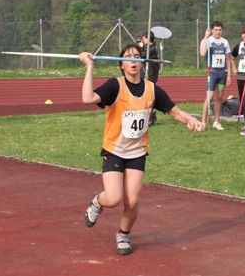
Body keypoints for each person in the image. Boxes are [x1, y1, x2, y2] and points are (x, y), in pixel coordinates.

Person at [79, 44, 204, 256]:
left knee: (133, 201)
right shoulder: (114, 86)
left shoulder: (152, 89)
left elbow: (173, 111)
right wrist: (89, 67)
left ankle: (123, 235)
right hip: (114, 150)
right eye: (128, 58)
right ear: (121, 65)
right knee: (113, 198)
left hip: (137, 153)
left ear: (143, 62)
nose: (134, 61)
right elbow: (87, 98)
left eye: (137, 56)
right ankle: (96, 203)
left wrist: (190, 120)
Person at [200, 21, 232, 130]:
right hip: (212, 74)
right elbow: (203, 53)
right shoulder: (208, 41)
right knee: (209, 97)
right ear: (212, 30)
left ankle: (216, 121)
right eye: (216, 30)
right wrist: (205, 37)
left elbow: (228, 59)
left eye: (219, 30)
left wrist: (229, 75)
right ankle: (203, 122)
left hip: (222, 74)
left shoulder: (225, 42)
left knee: (219, 98)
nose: (218, 32)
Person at [138, 31, 160, 125]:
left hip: (150, 74)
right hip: (146, 73)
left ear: (147, 38)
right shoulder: (150, 48)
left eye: (143, 38)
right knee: (145, 95)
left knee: (148, 96)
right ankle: (150, 116)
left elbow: (143, 55)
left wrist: (141, 46)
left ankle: (151, 117)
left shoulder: (152, 48)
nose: (142, 40)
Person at [231, 25, 245, 101]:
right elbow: (231, 58)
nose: (244, 35)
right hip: (241, 74)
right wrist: (234, 69)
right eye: (242, 33)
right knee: (242, 95)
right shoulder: (239, 46)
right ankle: (243, 112)